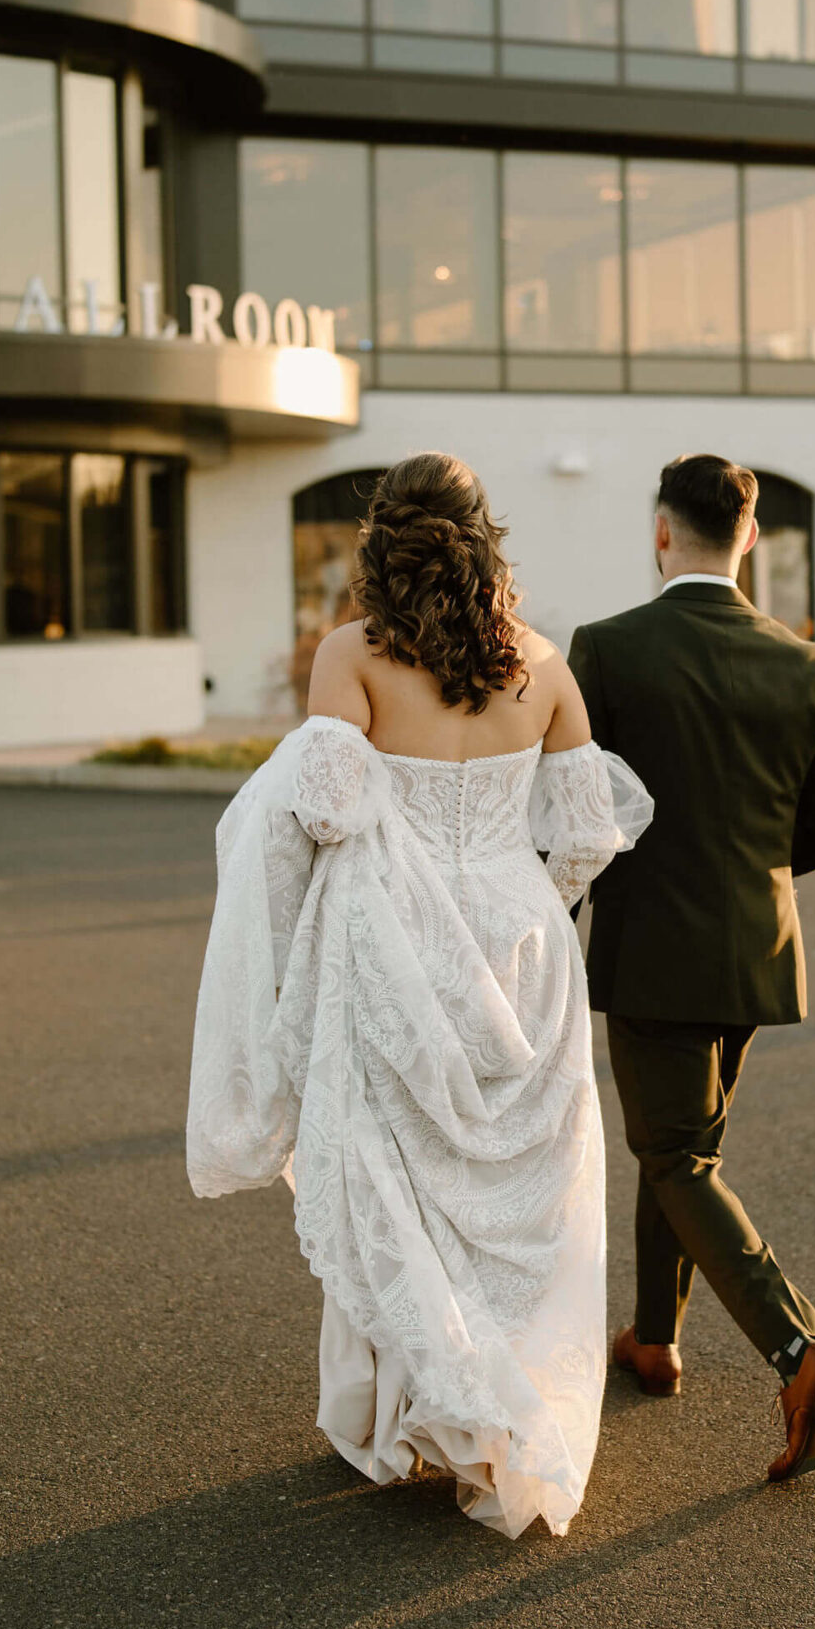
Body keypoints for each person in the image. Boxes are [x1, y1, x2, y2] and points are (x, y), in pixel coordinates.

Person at [186, 453, 651, 1539]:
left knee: (394, 1176)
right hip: (522, 942)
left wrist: (296, 948)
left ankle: (411, 1411)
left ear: (382, 538)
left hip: (391, 943)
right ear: (485, 537)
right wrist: (533, 895)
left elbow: (324, 814)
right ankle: (500, 1403)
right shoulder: (543, 664)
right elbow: (587, 831)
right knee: (512, 1198)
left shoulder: (349, 653)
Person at [568, 453, 815, 1483]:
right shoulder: (807, 664)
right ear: (748, 539)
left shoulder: (606, 650)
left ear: (661, 534)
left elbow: (578, 816)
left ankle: (801, 1351)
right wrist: (745, 881)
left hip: (650, 949)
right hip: (754, 951)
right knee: (679, 1149)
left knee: (677, 1156)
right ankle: (653, 1337)